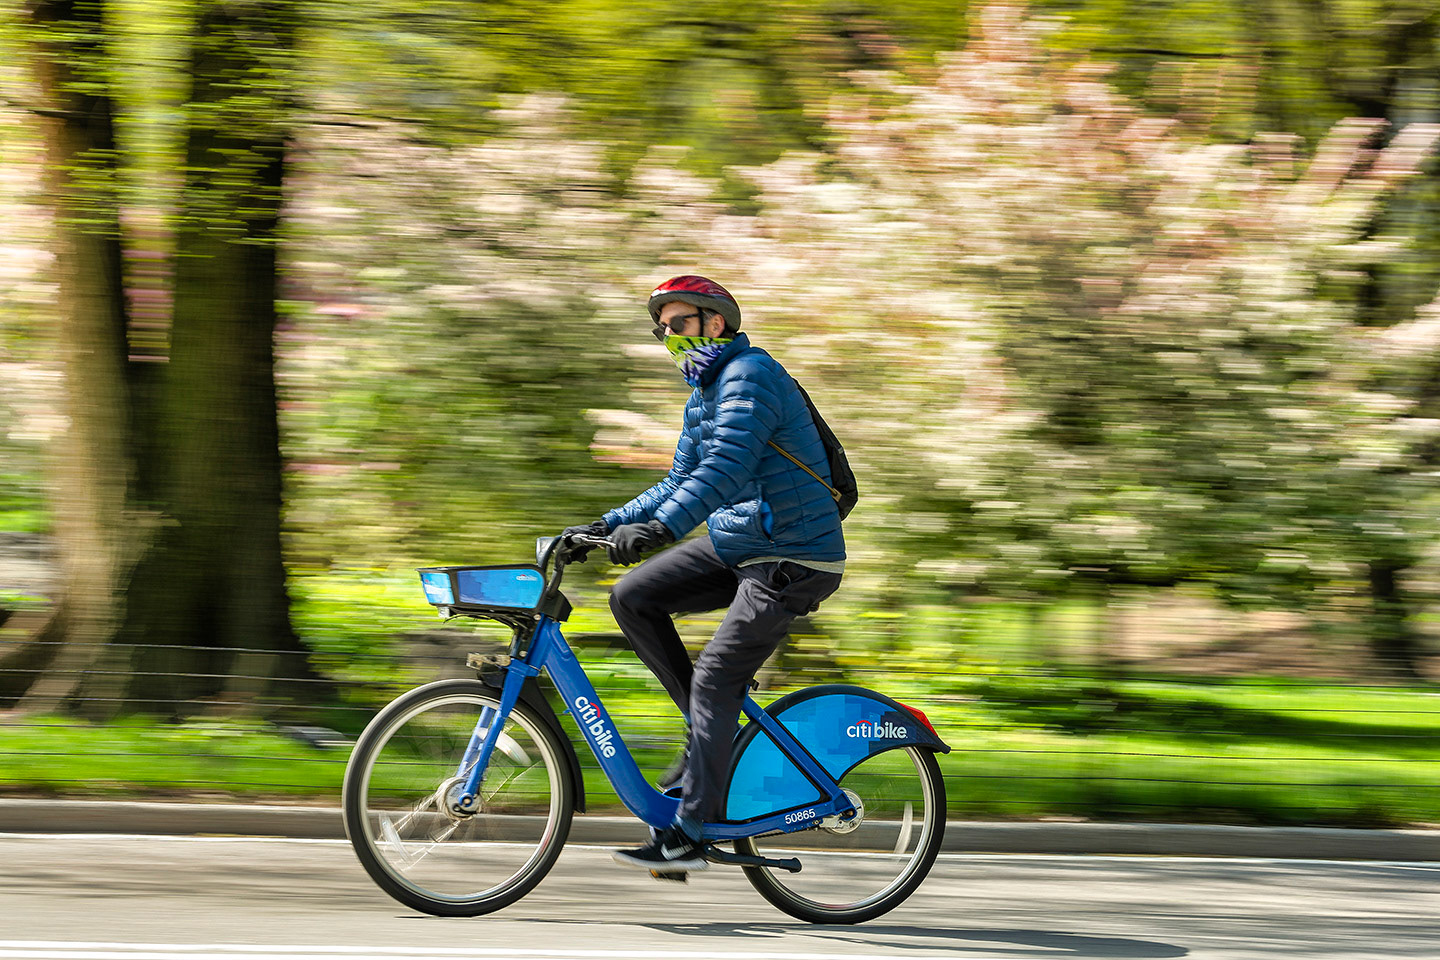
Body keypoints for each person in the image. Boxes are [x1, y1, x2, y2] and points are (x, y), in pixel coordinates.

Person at [564, 275, 845, 874]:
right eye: (661, 329)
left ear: (715, 322)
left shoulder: (750, 375)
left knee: (716, 676)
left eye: (679, 324)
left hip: (794, 555)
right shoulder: (705, 391)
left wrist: (661, 529)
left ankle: (692, 830)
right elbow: (678, 479)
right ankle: (707, 731)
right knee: (634, 596)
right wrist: (605, 524)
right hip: (745, 543)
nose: (670, 337)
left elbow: (724, 469)